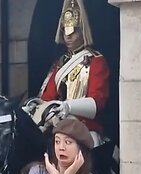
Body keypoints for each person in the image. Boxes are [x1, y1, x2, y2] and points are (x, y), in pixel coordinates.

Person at [24, 0, 110, 148]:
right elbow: (48, 98)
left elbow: (97, 102)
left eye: (73, 31)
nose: (68, 37)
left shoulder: (96, 61)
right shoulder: (60, 63)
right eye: (65, 31)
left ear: (82, 31)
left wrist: (68, 107)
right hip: (60, 127)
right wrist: (36, 107)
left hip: (86, 128)